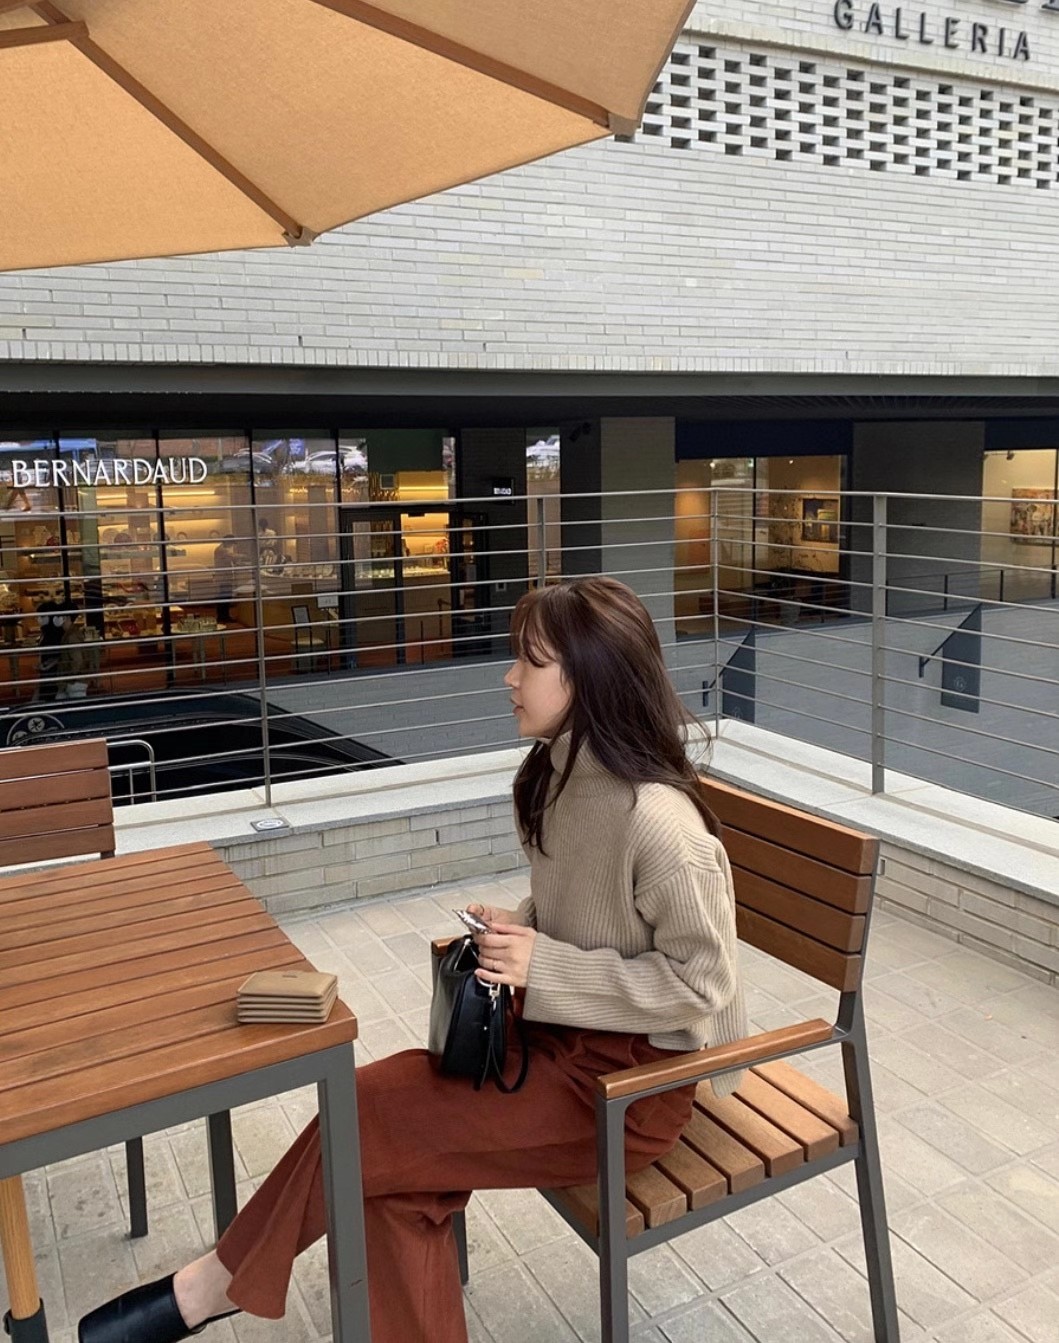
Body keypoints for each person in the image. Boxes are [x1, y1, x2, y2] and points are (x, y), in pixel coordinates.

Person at [77, 576, 748, 1343]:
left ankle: (209, 1286)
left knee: (369, 1116)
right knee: (386, 1167)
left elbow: (702, 983)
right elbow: (589, 911)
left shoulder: (661, 825)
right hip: (552, 1041)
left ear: (589, 677)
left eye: (529, 661)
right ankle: (213, 1285)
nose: (508, 677)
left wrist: (544, 965)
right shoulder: (554, 778)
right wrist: (522, 927)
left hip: (627, 1092)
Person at [212, 535, 237, 623]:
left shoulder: (222, 549)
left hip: (225, 576)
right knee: (225, 597)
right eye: (231, 543)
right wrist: (244, 556)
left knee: (226, 596)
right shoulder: (222, 550)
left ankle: (224, 615)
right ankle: (223, 616)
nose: (232, 545)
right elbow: (232, 557)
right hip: (223, 577)